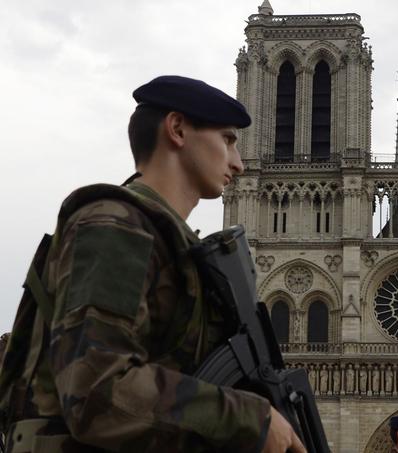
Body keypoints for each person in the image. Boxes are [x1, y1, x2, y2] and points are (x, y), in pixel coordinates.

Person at [0, 76, 305, 453]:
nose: (239, 164)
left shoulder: (169, 241)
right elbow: (95, 390)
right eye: (227, 139)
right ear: (177, 129)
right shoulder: (115, 225)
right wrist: (247, 420)